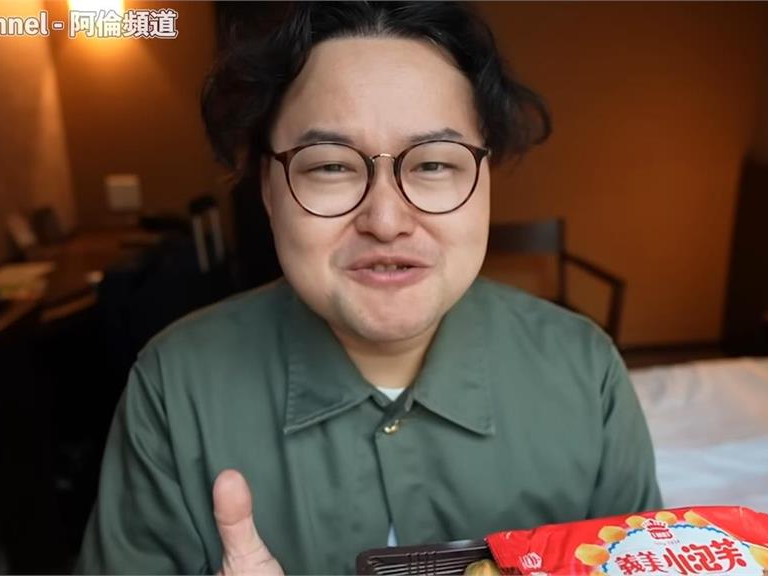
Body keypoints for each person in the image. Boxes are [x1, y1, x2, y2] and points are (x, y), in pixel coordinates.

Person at [77, 2, 662, 574]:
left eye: (433, 164)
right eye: (330, 165)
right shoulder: (175, 387)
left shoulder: (585, 372)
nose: (386, 221)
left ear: (483, 180)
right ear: (269, 191)